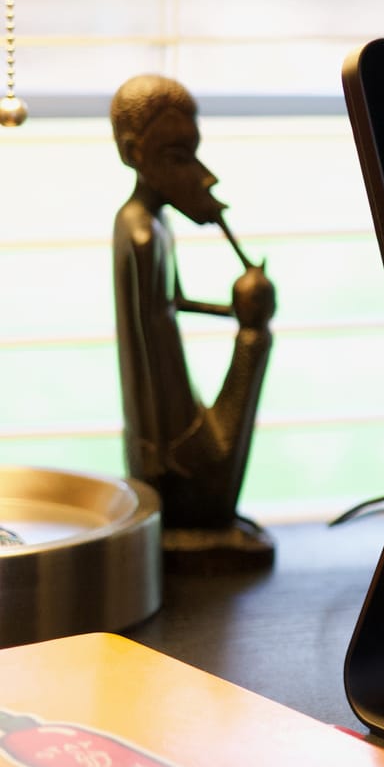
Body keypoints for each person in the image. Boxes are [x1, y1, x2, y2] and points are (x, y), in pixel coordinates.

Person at [109, 74, 275, 540]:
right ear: (133, 154)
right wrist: (164, 450)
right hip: (164, 422)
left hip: (170, 410)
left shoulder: (157, 221)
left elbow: (172, 302)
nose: (204, 176)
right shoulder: (141, 233)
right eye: (178, 159)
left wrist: (232, 310)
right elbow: (148, 338)